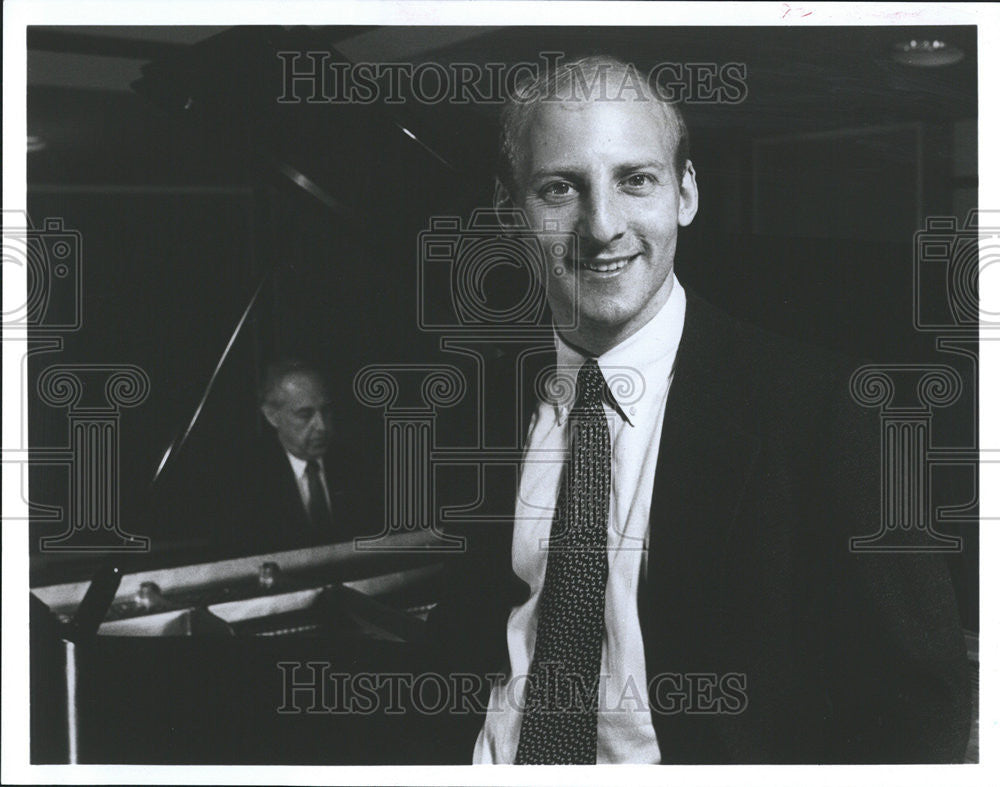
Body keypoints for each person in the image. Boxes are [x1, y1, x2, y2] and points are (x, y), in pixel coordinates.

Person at [426, 56, 970, 764]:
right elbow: (477, 633)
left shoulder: (831, 411)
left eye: (636, 179)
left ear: (684, 192)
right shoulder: (484, 402)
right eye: (560, 188)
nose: (602, 226)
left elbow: (918, 706)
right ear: (509, 210)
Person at [237, 360, 360, 549]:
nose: (322, 426)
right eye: (305, 414)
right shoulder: (245, 479)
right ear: (272, 416)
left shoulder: (356, 466)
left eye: (326, 411)